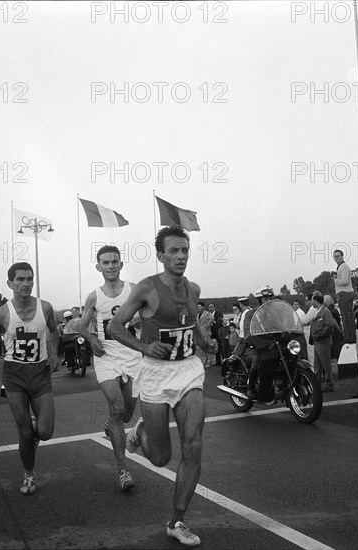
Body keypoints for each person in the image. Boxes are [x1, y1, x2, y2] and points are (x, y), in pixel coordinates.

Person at [108, 226, 217, 547]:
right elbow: (115, 327)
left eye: (185, 250)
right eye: (174, 251)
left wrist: (205, 343)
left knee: (193, 446)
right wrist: (144, 348)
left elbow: (193, 326)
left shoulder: (193, 289)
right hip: (155, 374)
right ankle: (141, 431)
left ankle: (176, 521)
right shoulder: (147, 289)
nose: (181, 256)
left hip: (188, 372)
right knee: (159, 458)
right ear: (160, 255)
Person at [0, 262, 59, 495]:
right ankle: (29, 475)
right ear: (10, 283)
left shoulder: (45, 308)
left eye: (29, 279)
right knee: (25, 431)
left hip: (40, 374)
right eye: (20, 280)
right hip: (14, 377)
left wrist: (54, 352)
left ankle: (34, 434)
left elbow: (54, 331)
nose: (26, 283)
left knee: (44, 432)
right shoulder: (3, 313)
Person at [78, 245, 142, 491]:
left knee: (126, 414)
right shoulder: (94, 296)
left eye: (115, 261)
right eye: (106, 262)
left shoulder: (134, 290)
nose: (111, 266)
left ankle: (112, 424)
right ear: (98, 267)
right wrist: (91, 338)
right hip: (107, 356)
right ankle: (123, 470)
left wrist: (140, 318)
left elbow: (150, 312)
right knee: (117, 407)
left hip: (132, 355)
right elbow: (83, 326)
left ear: (121, 264)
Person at [309, 293, 335, 392]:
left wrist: (319, 334)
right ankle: (316, 384)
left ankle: (329, 384)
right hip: (317, 342)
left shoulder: (325, 312)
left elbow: (329, 326)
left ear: (315, 300)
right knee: (317, 364)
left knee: (325, 363)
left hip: (323, 341)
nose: (311, 302)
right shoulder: (318, 312)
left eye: (312, 300)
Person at [332, 249, 356, 343]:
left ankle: (349, 337)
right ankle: (350, 336)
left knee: (346, 317)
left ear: (342, 256)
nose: (336, 258)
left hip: (344, 292)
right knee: (347, 316)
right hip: (344, 292)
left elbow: (345, 281)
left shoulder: (344, 267)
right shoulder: (340, 267)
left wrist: (335, 280)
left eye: (338, 256)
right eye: (335, 256)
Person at [324, 295, 344, 374]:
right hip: (337, 333)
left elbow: (334, 322)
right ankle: (340, 370)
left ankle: (336, 371)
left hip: (334, 333)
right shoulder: (334, 309)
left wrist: (339, 330)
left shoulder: (329, 310)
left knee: (334, 353)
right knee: (338, 353)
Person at [196, 301, 214, 368]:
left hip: (206, 333)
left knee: (208, 347)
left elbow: (212, 318)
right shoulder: (198, 315)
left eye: (200, 307)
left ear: (203, 307)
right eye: (197, 307)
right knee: (203, 348)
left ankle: (209, 362)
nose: (198, 308)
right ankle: (204, 361)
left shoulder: (207, 313)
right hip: (200, 333)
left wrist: (207, 325)